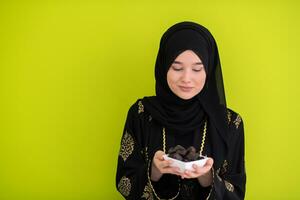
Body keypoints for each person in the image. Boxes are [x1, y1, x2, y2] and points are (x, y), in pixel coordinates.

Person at [116, 21, 246, 200]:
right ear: (163, 67)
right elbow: (124, 183)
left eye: (197, 69)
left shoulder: (231, 122)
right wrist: (154, 171)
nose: (186, 78)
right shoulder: (141, 113)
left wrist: (207, 177)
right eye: (176, 67)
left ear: (208, 69)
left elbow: (237, 193)